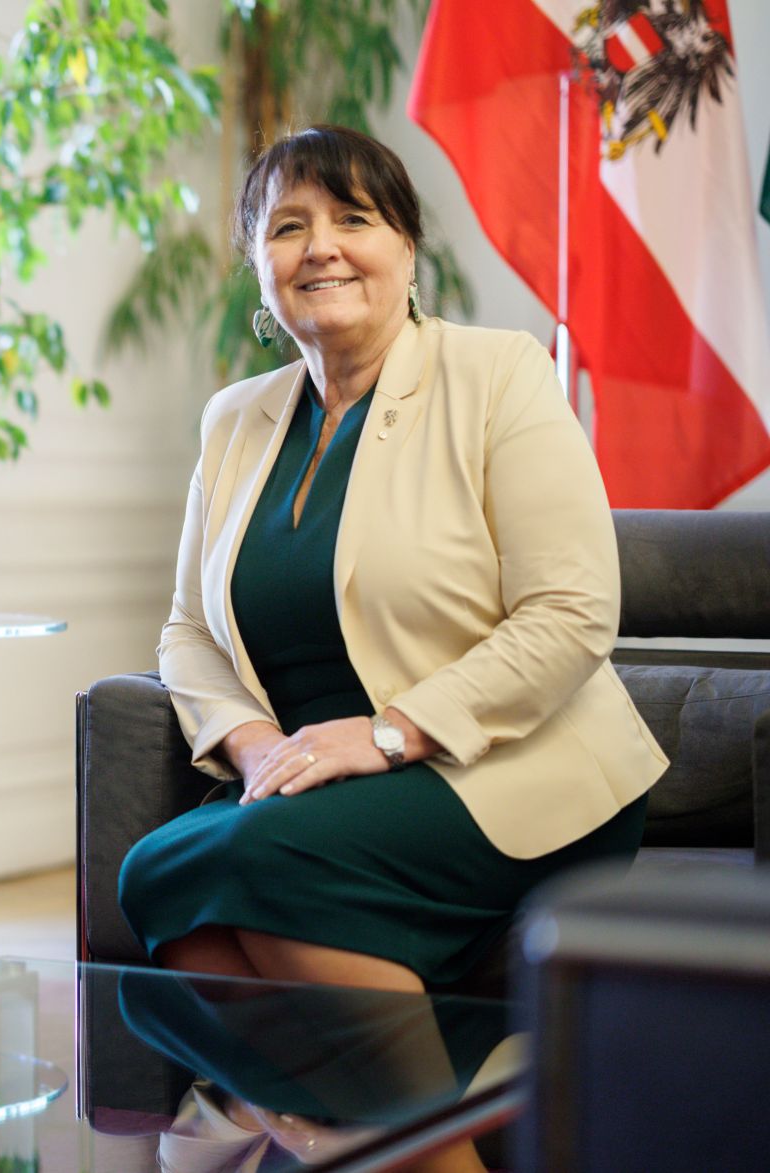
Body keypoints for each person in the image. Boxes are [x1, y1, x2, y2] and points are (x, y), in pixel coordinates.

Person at [119, 124, 667, 997]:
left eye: (353, 218)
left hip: (496, 763)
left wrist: (387, 733)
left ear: (407, 250)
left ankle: (402, 1135)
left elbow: (572, 612)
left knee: (254, 866)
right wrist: (258, 749)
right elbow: (187, 628)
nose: (321, 247)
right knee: (150, 876)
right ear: (261, 267)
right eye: (287, 226)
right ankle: (348, 1132)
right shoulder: (234, 418)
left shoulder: (498, 373)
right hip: (308, 781)